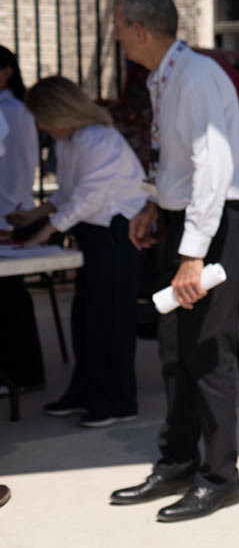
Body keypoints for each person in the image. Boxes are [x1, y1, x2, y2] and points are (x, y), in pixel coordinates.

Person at [106, 0, 239, 522]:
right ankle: (177, 461)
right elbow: (176, 161)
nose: (116, 37)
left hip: (214, 224)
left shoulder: (195, 77)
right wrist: (155, 204)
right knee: (174, 348)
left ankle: (220, 478)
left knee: (207, 351)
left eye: (118, 27)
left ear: (139, 29)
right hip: (186, 221)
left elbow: (213, 168)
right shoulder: (164, 76)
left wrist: (193, 254)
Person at [9, 76, 147, 427]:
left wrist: (45, 232)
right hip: (95, 235)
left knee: (109, 321)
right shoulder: (70, 141)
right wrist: (34, 216)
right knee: (86, 319)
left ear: (61, 112)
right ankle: (85, 391)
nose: (42, 128)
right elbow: (67, 193)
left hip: (115, 235)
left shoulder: (99, 139)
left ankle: (118, 401)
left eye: (44, 120)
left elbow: (88, 197)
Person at [0, 45, 46, 396]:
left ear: (6, 72)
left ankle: (21, 374)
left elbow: (15, 171)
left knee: (10, 299)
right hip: (11, 212)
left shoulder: (13, 111)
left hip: (10, 215)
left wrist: (7, 218)